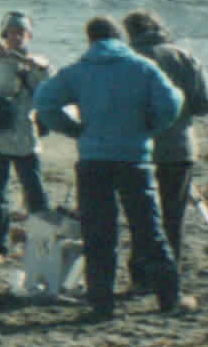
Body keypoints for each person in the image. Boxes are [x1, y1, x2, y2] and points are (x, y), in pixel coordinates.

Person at [31, 17, 184, 320]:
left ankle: (101, 304)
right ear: (119, 38)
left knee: (99, 233)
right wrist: (151, 127)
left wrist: (73, 130)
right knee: (148, 230)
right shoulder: (141, 67)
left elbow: (44, 101)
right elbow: (172, 100)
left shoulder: (78, 71)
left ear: (90, 41)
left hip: (93, 159)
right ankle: (169, 299)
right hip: (134, 158)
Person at [123, 8, 208, 286]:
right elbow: (206, 103)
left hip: (134, 150)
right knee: (172, 217)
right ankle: (167, 277)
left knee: (140, 217)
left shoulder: (126, 59)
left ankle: (140, 277)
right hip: (178, 148)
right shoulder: (182, 56)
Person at [0, 11, 52, 261]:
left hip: (23, 139)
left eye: (22, 33)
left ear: (29, 36)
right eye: (12, 33)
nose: (17, 37)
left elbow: (50, 85)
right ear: (4, 35)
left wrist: (36, 65)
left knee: (35, 193)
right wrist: (4, 59)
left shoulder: (36, 63)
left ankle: (43, 245)